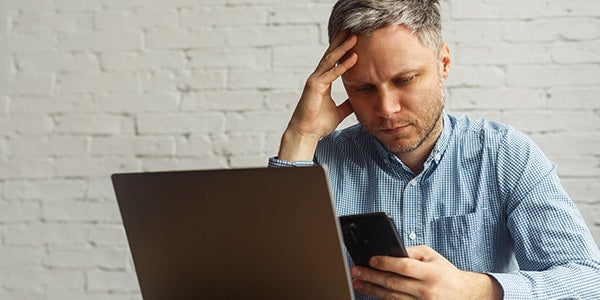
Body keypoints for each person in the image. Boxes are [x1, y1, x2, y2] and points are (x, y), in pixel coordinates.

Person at [268, 0, 600, 299]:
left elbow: (588, 281)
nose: (386, 109)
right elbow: (268, 279)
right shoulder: (318, 163)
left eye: (404, 80)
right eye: (364, 88)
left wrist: (475, 290)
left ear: (443, 63)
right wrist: (301, 134)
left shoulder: (504, 155)